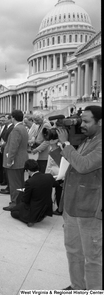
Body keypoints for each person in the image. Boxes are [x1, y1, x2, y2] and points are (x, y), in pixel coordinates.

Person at [57, 105, 102, 291]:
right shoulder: (86, 140)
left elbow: (84, 165)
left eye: (86, 121)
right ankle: (77, 287)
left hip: (90, 209)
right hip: (72, 205)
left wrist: (67, 145)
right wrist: (61, 146)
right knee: (73, 252)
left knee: (93, 258)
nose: (81, 125)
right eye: (81, 120)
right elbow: (73, 164)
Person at [10, 159, 55, 227]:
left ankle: (30, 219)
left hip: (34, 209)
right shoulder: (49, 177)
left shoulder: (30, 182)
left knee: (13, 212)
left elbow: (26, 200)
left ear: (28, 170)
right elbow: (56, 184)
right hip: (46, 207)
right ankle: (38, 216)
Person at [3, 110, 28, 211]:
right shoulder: (23, 128)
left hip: (15, 161)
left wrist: (9, 161)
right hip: (21, 159)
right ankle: (19, 201)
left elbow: (13, 147)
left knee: (14, 184)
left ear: (13, 118)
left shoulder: (16, 129)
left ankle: (15, 203)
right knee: (20, 183)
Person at [0, 113, 14, 194]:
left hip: (7, 150)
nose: (4, 120)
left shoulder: (12, 128)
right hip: (5, 149)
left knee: (8, 170)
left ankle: (9, 187)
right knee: (5, 170)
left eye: (5, 119)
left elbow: (7, 141)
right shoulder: (7, 127)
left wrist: (1, 147)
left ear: (10, 119)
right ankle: (8, 186)